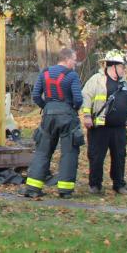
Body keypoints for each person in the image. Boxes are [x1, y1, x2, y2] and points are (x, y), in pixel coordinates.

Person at [23, 46, 85, 199]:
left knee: (42, 150)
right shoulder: (72, 76)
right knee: (69, 151)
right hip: (67, 116)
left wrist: (48, 107)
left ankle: (33, 188)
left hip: (48, 116)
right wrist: (72, 109)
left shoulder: (45, 73)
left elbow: (36, 95)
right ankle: (65, 190)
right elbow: (78, 99)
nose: (75, 64)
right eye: (74, 60)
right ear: (67, 59)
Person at [81, 50, 127, 195]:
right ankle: (95, 185)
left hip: (119, 128)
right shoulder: (97, 80)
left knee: (119, 156)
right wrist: (87, 116)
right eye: (122, 67)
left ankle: (119, 184)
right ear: (113, 66)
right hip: (100, 128)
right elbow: (86, 97)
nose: (124, 69)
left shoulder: (125, 84)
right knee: (96, 157)